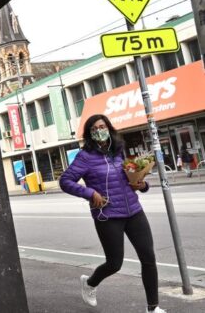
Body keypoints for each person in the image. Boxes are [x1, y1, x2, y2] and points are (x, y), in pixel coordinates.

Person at [60, 114, 164, 313]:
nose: (100, 130)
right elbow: (65, 181)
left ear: (109, 127)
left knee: (148, 258)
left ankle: (153, 308)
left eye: (102, 126)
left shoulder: (118, 150)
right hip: (107, 215)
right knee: (115, 263)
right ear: (90, 133)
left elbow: (129, 177)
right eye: (95, 128)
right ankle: (90, 283)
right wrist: (90, 193)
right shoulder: (85, 156)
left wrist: (141, 184)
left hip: (133, 211)